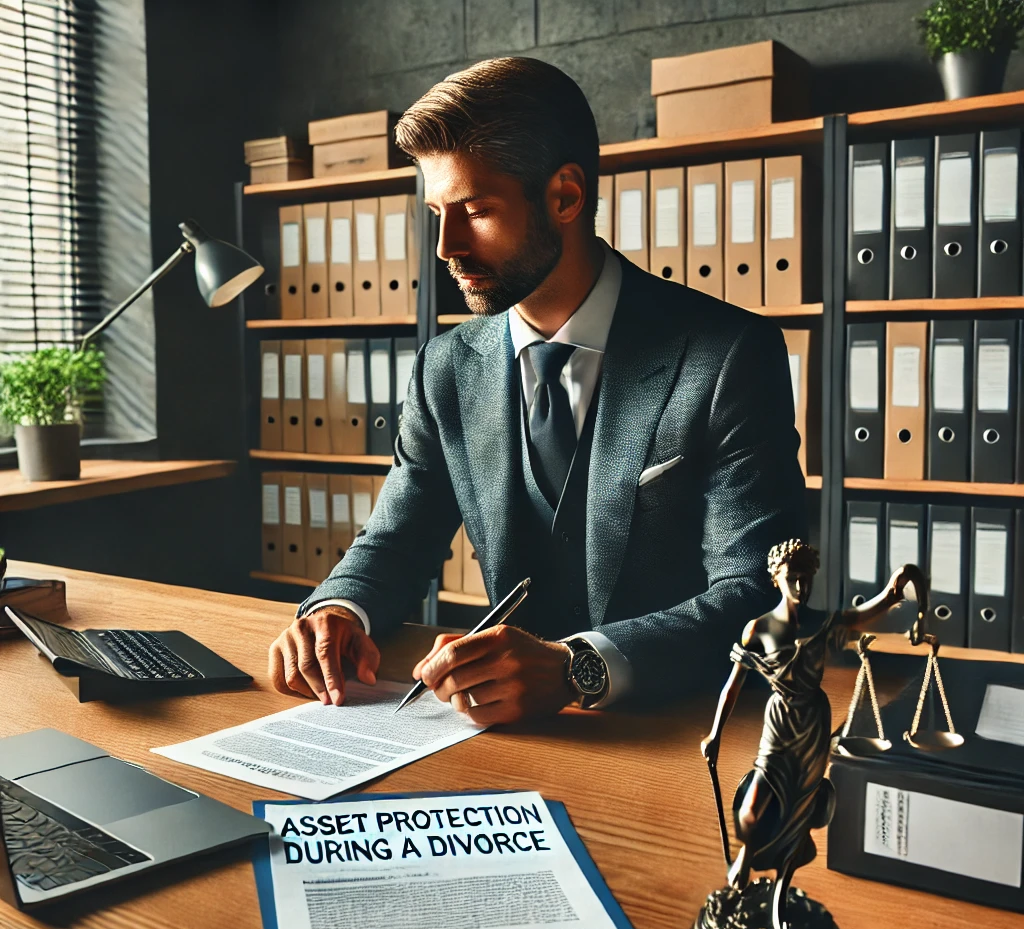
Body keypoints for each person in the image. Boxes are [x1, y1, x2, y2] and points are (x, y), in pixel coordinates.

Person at [268, 56, 807, 724]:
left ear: (566, 197)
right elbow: (396, 538)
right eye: (437, 211)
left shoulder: (727, 355)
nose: (446, 245)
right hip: (501, 735)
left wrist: (581, 667)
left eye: (476, 210)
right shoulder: (447, 367)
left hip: (679, 730)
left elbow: (759, 592)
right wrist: (336, 608)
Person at [699, 539, 927, 929]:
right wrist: (715, 734)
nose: (802, 587)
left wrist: (898, 591)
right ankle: (746, 855)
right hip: (779, 723)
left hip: (812, 725)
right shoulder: (759, 629)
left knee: (800, 814)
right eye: (793, 578)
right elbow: (732, 687)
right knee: (752, 807)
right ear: (776, 579)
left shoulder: (823, 623)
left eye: (807, 579)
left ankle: (777, 899)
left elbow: (869, 611)